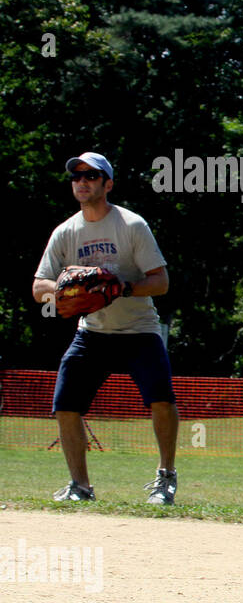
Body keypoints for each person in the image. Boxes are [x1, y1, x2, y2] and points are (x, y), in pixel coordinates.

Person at [31, 152, 180, 505]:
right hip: (92, 332)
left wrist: (122, 287)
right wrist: (68, 291)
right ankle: (80, 486)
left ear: (107, 184)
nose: (82, 182)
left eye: (91, 176)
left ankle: (165, 479)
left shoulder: (131, 225)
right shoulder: (66, 232)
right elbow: (39, 287)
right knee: (65, 404)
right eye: (76, 177)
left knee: (161, 399)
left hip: (138, 329)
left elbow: (160, 282)